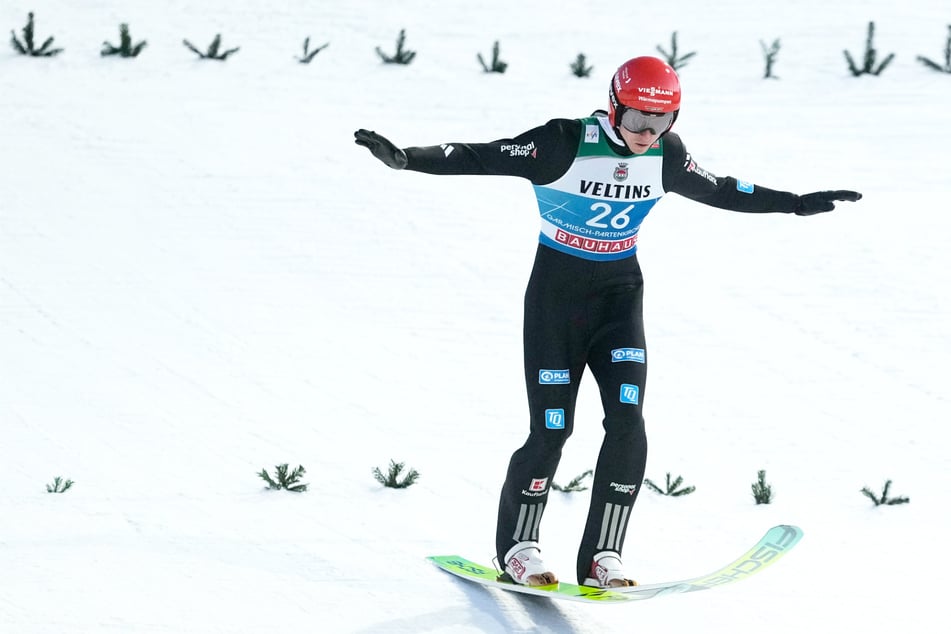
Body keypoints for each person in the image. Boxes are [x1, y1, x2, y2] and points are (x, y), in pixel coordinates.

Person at [354, 56, 861, 589]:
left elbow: (723, 189)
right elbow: (482, 156)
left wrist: (795, 203)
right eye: (638, 119)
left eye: (662, 121)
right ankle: (520, 548)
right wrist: (409, 159)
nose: (648, 134)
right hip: (555, 302)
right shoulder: (564, 142)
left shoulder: (667, 155)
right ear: (615, 105)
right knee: (552, 430)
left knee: (628, 424)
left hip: (620, 302)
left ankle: (603, 555)